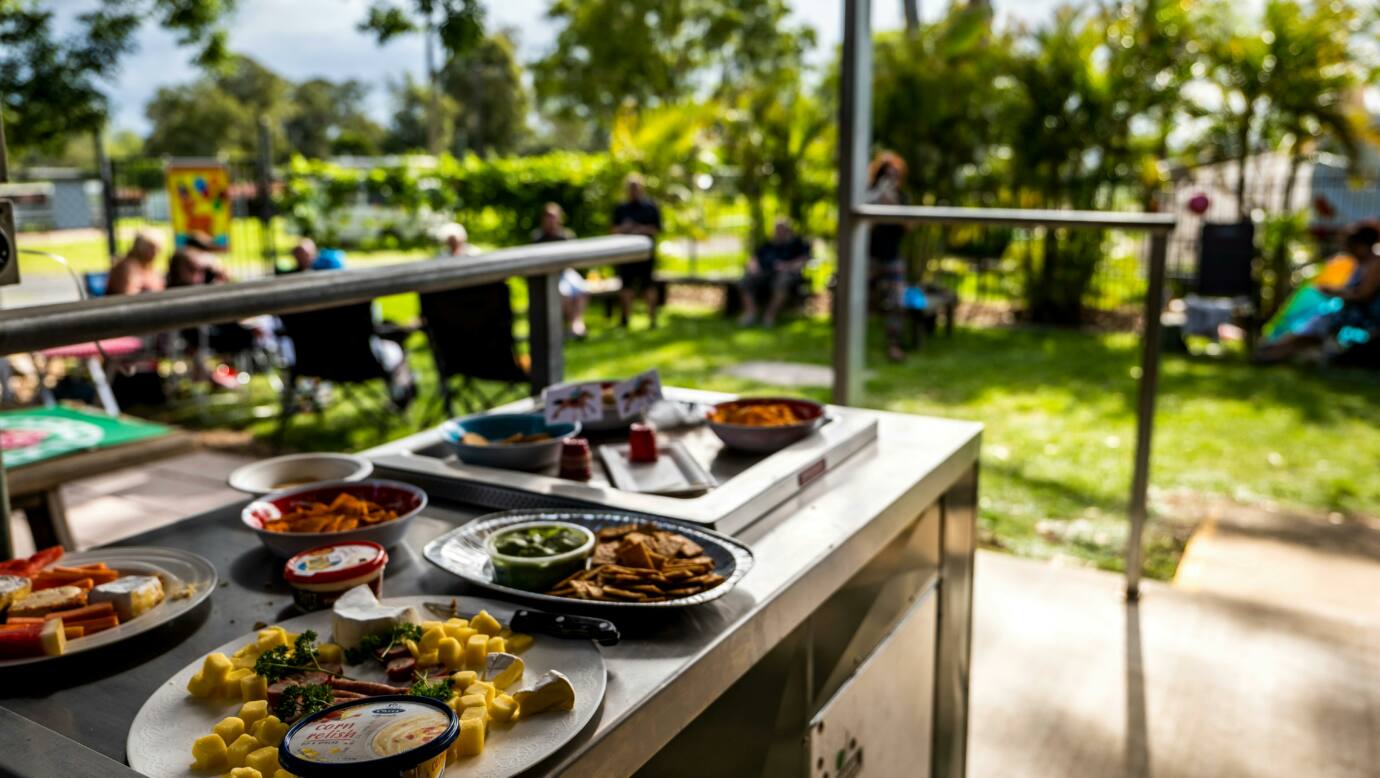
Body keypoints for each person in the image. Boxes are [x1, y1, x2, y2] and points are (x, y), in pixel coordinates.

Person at [1253, 221, 1380, 364]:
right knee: (1313, 322)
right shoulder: (1360, 263)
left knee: (1318, 324)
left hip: (1361, 315)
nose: (1346, 249)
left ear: (1360, 245)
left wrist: (1335, 294)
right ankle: (1272, 350)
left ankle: (1270, 352)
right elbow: (1354, 289)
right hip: (1347, 310)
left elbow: (1363, 295)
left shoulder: (1375, 263)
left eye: (1349, 245)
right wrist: (1333, 290)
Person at [866, 151, 911, 363]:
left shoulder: (902, 197)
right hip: (868, 259)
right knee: (856, 299)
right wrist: (876, 206)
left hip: (892, 258)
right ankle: (854, 346)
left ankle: (894, 345)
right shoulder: (868, 196)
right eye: (886, 174)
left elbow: (910, 227)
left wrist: (894, 208)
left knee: (897, 301)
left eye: (894, 174)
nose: (890, 178)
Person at [611, 173, 663, 329]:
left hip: (646, 255)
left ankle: (652, 319)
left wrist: (640, 229)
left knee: (649, 286)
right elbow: (613, 229)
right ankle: (625, 319)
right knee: (626, 287)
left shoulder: (651, 207)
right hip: (626, 255)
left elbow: (657, 229)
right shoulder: (621, 208)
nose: (633, 190)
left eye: (636, 187)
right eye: (630, 188)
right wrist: (625, 229)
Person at [738, 217, 811, 327]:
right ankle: (750, 313)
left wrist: (787, 266)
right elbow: (753, 259)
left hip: (787, 274)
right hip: (765, 273)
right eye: (777, 229)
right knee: (745, 281)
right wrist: (754, 268)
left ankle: (769, 315)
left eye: (782, 229)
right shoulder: (767, 245)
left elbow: (803, 260)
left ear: (788, 230)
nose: (779, 232)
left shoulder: (798, 244)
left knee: (781, 283)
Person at [532, 203, 589, 339]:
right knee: (564, 293)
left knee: (582, 290)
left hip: (567, 272)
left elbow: (575, 257)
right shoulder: (538, 237)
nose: (551, 220)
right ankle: (573, 325)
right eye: (549, 217)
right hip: (549, 275)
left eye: (554, 217)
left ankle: (576, 322)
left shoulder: (566, 236)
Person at [106, 230, 166, 295]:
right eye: (152, 248)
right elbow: (129, 295)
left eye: (158, 249)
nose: (155, 253)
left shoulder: (149, 268)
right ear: (140, 247)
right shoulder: (127, 267)